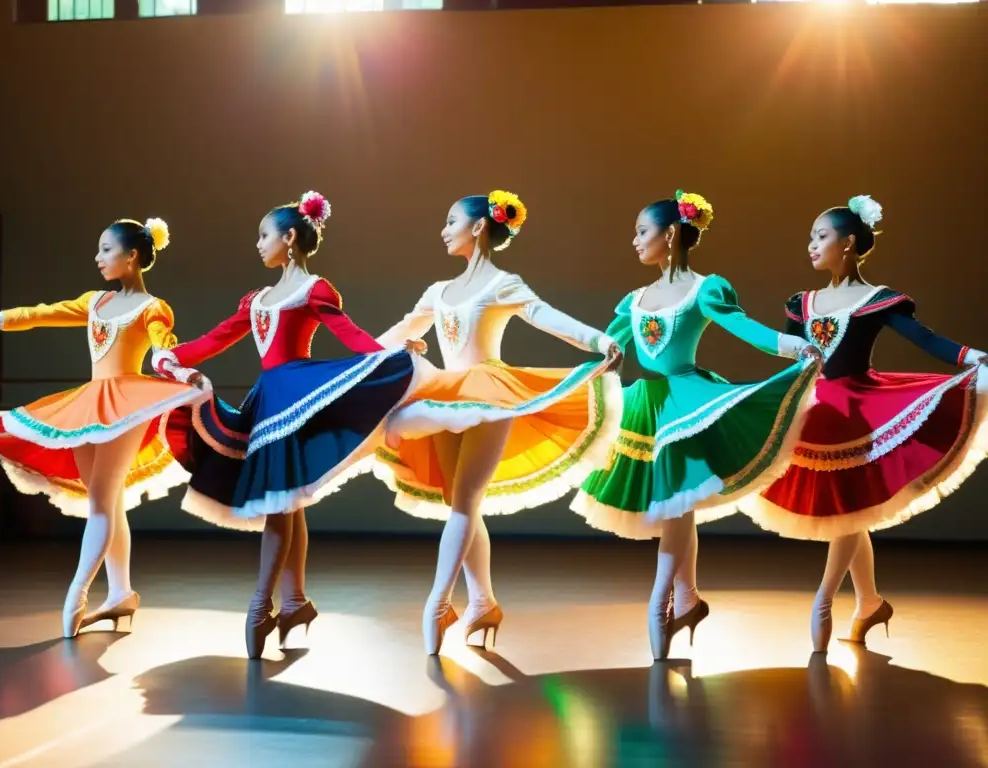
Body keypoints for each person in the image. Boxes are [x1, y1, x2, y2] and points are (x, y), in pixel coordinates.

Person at [153, 191, 421, 658]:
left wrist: (389, 359)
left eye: (264, 235)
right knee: (288, 503)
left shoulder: (315, 289)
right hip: (269, 399)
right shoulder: (256, 300)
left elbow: (349, 334)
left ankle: (262, 605)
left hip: (295, 395)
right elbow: (218, 338)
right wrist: (173, 356)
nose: (257, 244)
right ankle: (294, 601)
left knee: (280, 502)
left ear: (289, 237)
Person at [571, 191, 822, 660]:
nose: (634, 241)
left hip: (688, 402)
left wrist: (794, 347)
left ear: (670, 235)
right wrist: (571, 385)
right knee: (676, 503)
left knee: (676, 503)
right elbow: (611, 349)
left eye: (642, 231)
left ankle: (660, 602)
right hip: (647, 403)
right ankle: (687, 599)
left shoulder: (705, 289)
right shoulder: (635, 299)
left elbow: (746, 329)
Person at [373, 190, 624, 654]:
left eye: (452, 221)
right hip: (445, 395)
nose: (443, 230)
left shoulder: (502, 284)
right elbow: (402, 330)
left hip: (490, 394)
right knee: (461, 507)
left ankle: (438, 603)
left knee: (466, 502)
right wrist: (356, 361)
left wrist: (598, 340)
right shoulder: (438, 291)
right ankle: (483, 602)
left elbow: (546, 317)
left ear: (479, 227)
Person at [739, 195, 986, 652]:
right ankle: (870, 603)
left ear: (848, 243)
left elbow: (924, 338)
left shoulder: (878, 300)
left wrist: (972, 357)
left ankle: (825, 599)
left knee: (847, 512)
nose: (811, 245)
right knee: (851, 512)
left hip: (860, 409)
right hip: (817, 411)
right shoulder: (803, 302)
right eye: (811, 237)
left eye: (821, 236)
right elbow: (792, 357)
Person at [0, 217, 209, 637]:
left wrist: (177, 368)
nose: (97, 258)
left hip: (126, 404)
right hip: (89, 404)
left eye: (106, 250)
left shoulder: (153, 308)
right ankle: (120, 593)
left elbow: (162, 346)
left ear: (131, 256)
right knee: (108, 502)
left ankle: (77, 592)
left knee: (100, 499)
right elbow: (44, 313)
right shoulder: (94, 302)